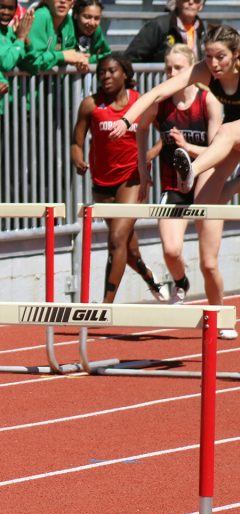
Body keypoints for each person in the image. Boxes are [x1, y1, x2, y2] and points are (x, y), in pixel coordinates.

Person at [112, 25, 240, 339]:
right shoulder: (204, 71)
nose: (214, 64)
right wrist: (127, 120)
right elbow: (157, 93)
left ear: (237, 56)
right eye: (208, 57)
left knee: (225, 132)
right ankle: (219, 314)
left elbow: (221, 137)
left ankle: (193, 170)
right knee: (208, 247)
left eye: (220, 57)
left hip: (228, 138)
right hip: (230, 150)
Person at [71, 53, 167, 304]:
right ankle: (149, 277)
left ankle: (105, 306)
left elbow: (165, 135)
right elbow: (76, 142)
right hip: (102, 183)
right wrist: (78, 159)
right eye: (101, 72)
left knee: (115, 241)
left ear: (125, 73)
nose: (106, 76)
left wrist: (148, 155)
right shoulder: (91, 105)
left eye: (112, 71)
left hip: (131, 180)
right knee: (127, 248)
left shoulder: (140, 102)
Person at [135, 44, 223, 309]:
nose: (171, 73)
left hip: (206, 185)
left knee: (208, 264)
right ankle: (181, 283)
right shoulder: (161, 104)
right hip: (173, 186)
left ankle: (219, 314)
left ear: (192, 68)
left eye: (178, 68)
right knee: (171, 251)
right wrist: (142, 168)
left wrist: (186, 146)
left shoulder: (208, 101)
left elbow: (218, 150)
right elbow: (140, 129)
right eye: (167, 68)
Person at [125, 0, 208, 64]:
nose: (191, 2)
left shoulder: (203, 30)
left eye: (197, 0)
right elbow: (132, 57)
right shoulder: (159, 25)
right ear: (177, 1)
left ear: (201, 5)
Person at [21, 0, 90, 74]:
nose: (63, 1)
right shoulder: (41, 16)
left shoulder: (68, 20)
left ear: (73, 3)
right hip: (30, 83)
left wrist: (78, 60)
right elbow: (33, 62)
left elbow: (67, 54)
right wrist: (62, 56)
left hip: (53, 83)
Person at [0, 0, 34, 74]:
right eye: (1, 7)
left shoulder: (9, 31)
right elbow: (6, 64)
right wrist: (20, 38)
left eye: (11, 8)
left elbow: (34, 67)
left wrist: (25, 39)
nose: (6, 13)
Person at [72, 0, 111, 65]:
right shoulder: (67, 27)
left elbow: (107, 54)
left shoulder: (97, 31)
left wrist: (89, 60)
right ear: (76, 15)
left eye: (97, 18)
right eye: (87, 17)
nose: (92, 23)